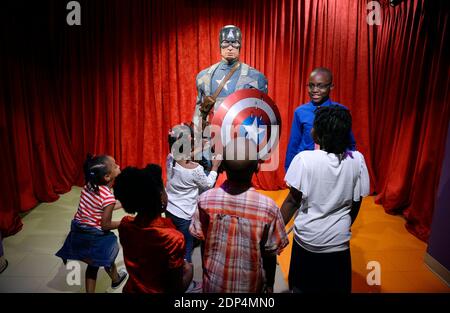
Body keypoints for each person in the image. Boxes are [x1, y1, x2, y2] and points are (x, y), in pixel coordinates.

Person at [281, 105, 370, 293]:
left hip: (306, 242)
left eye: (314, 126)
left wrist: (275, 231)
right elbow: (356, 202)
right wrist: (342, 226)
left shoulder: (304, 159)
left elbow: (292, 201)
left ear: (319, 135)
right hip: (339, 245)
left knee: (300, 287)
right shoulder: (357, 160)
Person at [190, 138, 289, 293]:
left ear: (222, 166)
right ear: (257, 167)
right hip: (250, 286)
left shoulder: (205, 200)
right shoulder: (268, 208)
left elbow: (203, 242)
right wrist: (269, 284)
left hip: (213, 283)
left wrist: (205, 271)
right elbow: (270, 254)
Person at [114, 165, 193, 293]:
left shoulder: (125, 225)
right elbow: (175, 289)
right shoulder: (173, 238)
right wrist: (189, 273)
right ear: (161, 196)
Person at [56, 154, 128, 293]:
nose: (118, 166)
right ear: (107, 176)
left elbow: (102, 206)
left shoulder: (90, 186)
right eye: (115, 165)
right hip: (95, 235)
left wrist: (125, 202)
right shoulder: (108, 197)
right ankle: (116, 279)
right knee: (107, 257)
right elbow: (105, 225)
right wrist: (123, 222)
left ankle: (113, 280)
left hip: (79, 230)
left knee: (93, 264)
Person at [192, 25, 268, 132]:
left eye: (235, 43)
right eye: (225, 43)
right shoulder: (203, 77)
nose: (230, 47)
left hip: (241, 138)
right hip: (210, 137)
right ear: (220, 45)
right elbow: (199, 111)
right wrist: (196, 139)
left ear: (240, 45)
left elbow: (262, 115)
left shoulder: (256, 78)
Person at [165, 123, 222, 264]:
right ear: (189, 146)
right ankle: (186, 278)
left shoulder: (170, 157)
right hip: (185, 215)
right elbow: (208, 185)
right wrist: (215, 167)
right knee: (186, 249)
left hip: (169, 209)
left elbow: (181, 155)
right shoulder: (195, 169)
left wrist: (197, 149)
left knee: (174, 240)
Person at [285, 67, 356, 171]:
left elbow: (350, 143)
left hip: (331, 167)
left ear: (331, 86)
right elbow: (294, 143)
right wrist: (289, 170)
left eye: (320, 86)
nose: (314, 90)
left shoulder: (341, 112)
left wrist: (348, 167)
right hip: (305, 166)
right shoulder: (300, 112)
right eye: (311, 85)